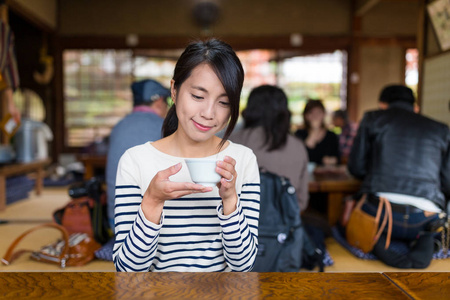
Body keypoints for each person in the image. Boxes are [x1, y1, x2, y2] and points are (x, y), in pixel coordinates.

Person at [112, 39, 260, 272]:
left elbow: (243, 265)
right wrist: (152, 201)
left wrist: (230, 200)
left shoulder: (243, 160)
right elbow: (128, 270)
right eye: (198, 97)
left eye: (223, 102)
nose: (209, 113)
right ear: (174, 90)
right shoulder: (135, 161)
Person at [348, 84, 450, 269]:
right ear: (414, 105)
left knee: (344, 223)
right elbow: (447, 182)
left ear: (382, 104)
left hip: (380, 213)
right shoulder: (441, 129)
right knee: (431, 227)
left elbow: (356, 167)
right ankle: (426, 239)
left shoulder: (373, 119)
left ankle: (375, 243)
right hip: (425, 217)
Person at [230, 85, 309, 211]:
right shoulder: (297, 146)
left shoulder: (233, 142)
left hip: (239, 224)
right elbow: (302, 201)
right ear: (284, 112)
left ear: (250, 109)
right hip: (285, 225)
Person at [106, 79, 170, 229]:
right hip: (146, 225)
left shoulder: (119, 126)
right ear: (160, 102)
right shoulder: (163, 127)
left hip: (115, 220)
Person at [295, 99, 340, 166]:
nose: (315, 116)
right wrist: (314, 131)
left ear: (324, 114)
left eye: (318, 112)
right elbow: (299, 157)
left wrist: (331, 160)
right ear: (306, 116)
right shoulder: (299, 134)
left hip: (325, 174)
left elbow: (337, 158)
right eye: (311, 112)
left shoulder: (331, 136)